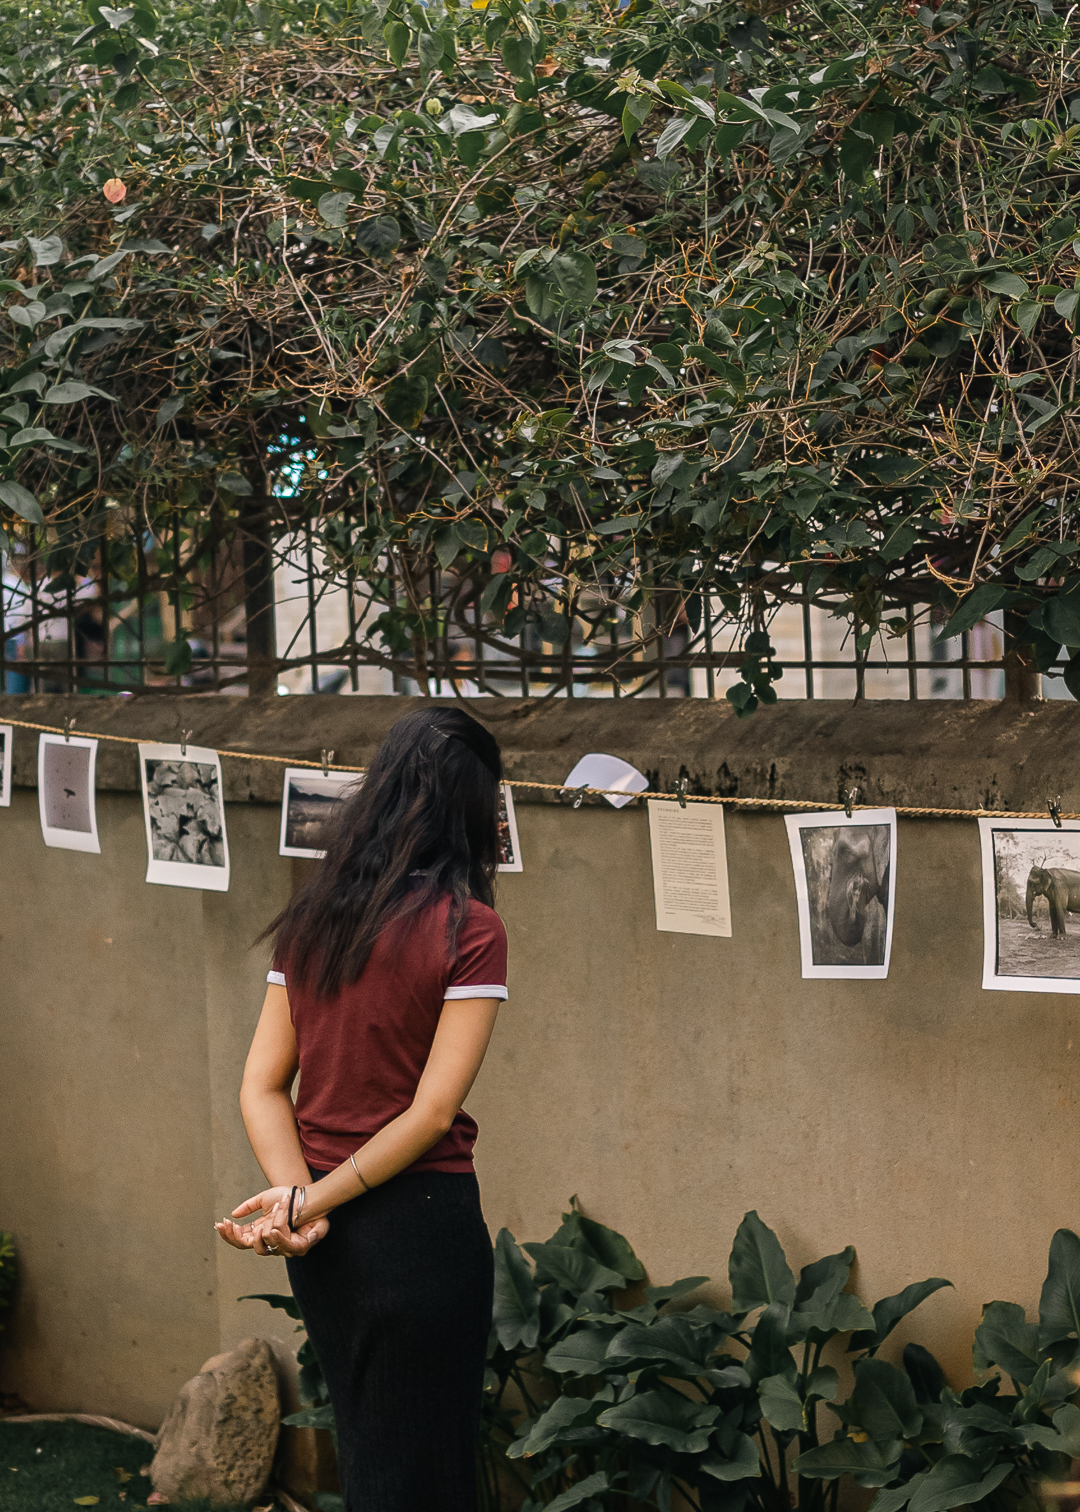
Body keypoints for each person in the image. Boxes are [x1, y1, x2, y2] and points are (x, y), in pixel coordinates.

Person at [215, 708, 508, 1511]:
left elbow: (261, 1085)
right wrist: (306, 1202)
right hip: (418, 1225)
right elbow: (432, 1112)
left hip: (330, 1244)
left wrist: (296, 1203)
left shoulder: (312, 920)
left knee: (376, 1462)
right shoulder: (470, 930)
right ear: (469, 809)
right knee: (427, 1475)